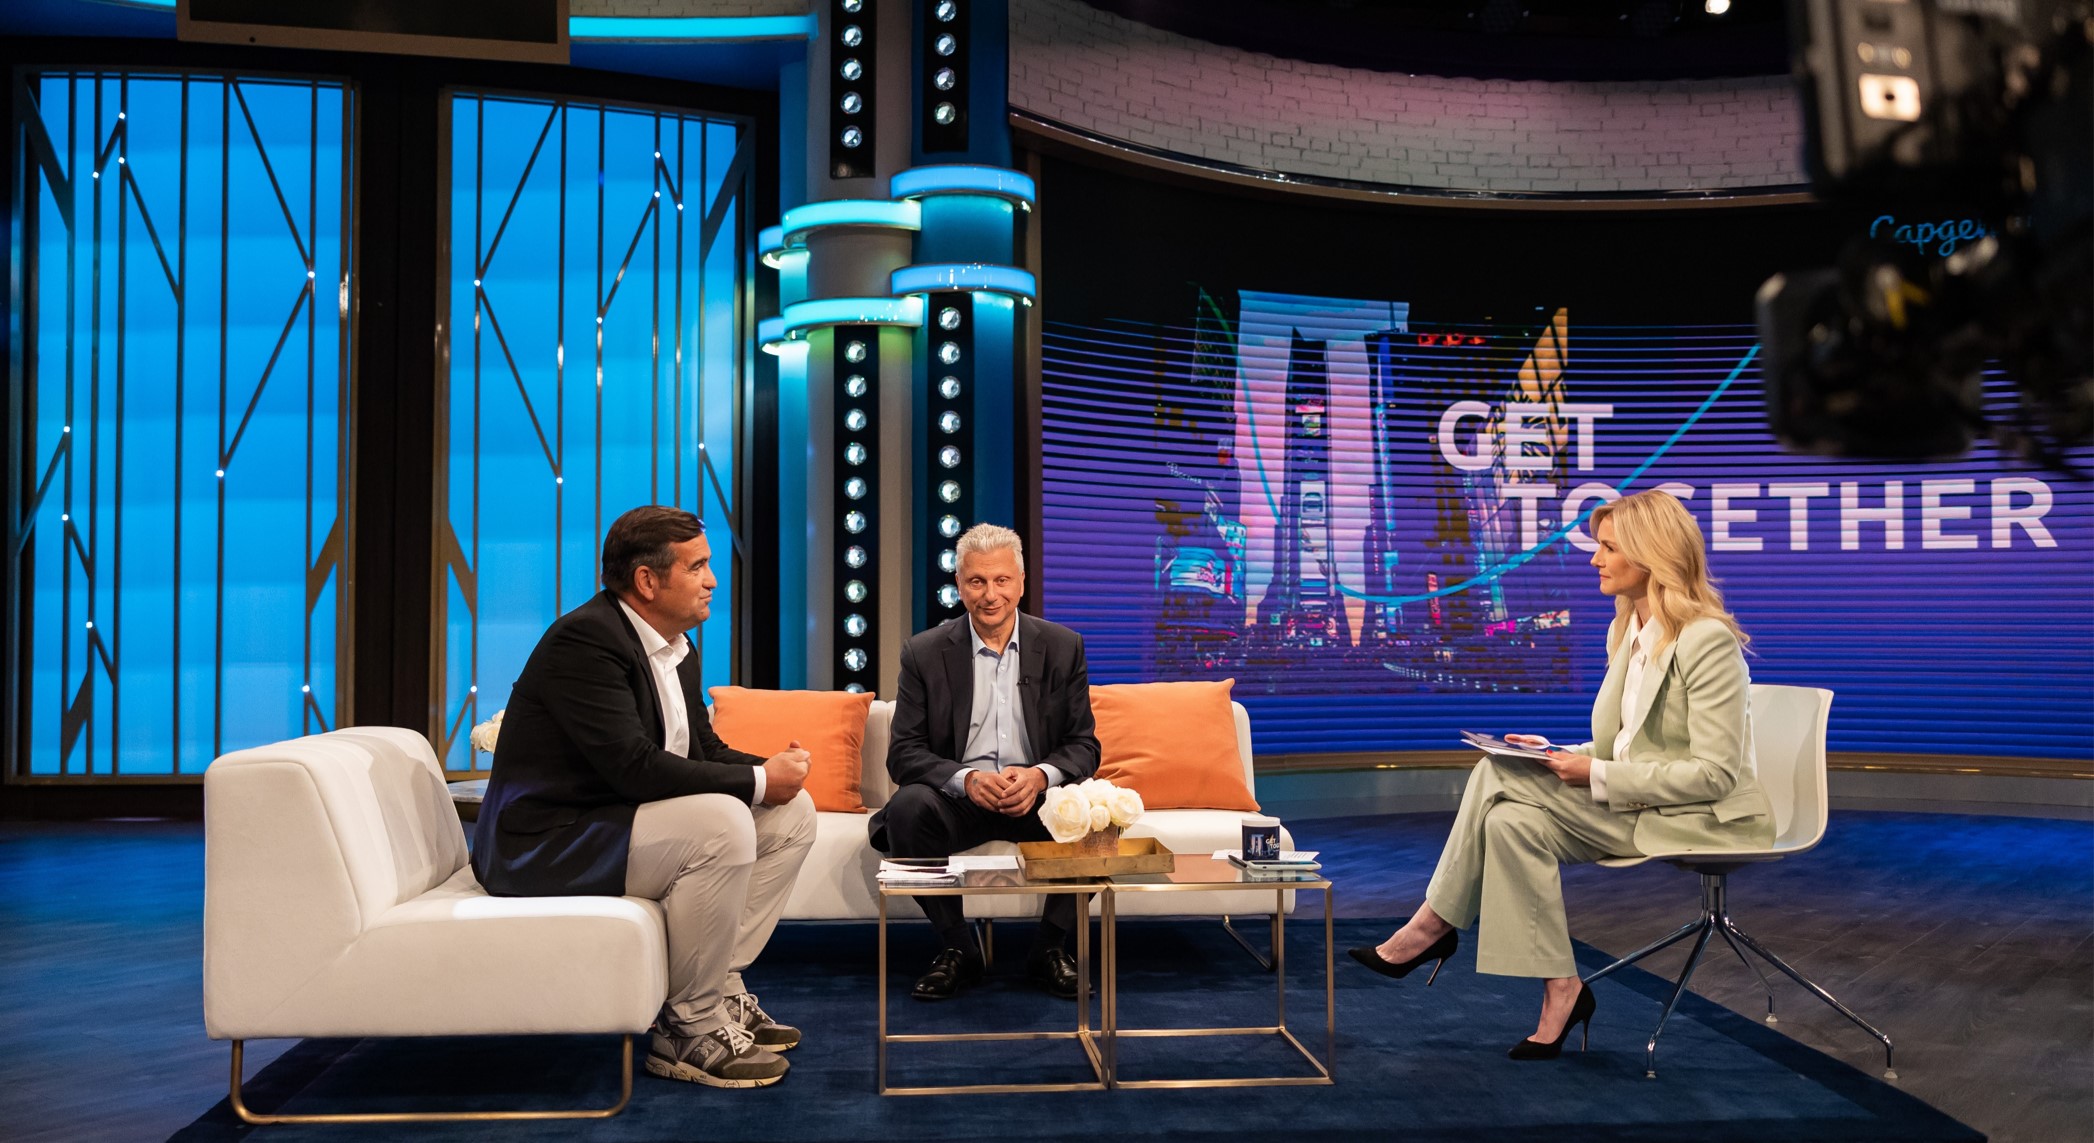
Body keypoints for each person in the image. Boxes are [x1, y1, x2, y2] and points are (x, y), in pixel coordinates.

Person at [1348, 489, 1774, 1060]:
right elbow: (1626, 745)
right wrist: (1556, 752)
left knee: (1494, 775)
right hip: (1638, 801)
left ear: (1651, 555)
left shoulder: (1706, 640)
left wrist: (1594, 772)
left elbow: (1714, 775)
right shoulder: (1627, 633)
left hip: (1698, 818)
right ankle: (1563, 989)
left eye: (1608, 547)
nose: (1595, 559)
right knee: (1509, 824)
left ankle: (1429, 928)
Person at [472, 506, 817, 1089]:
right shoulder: (586, 641)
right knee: (721, 823)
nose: (713, 581)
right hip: (548, 844)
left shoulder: (676, 646)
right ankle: (686, 1029)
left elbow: (704, 750)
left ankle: (718, 989)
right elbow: (634, 768)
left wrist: (770, 774)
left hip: (612, 822)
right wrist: (759, 783)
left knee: (791, 815)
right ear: (647, 581)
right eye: (697, 567)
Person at [870, 523, 1102, 1001]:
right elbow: (904, 752)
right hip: (959, 801)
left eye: (1001, 580)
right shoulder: (924, 653)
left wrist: (1039, 776)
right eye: (977, 581)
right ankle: (958, 948)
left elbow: (1083, 745)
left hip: (1037, 800)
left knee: (1100, 814)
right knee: (908, 807)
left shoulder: (1062, 647)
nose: (990, 594)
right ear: (960, 585)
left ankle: (1049, 948)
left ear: (1021, 582)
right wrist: (967, 778)